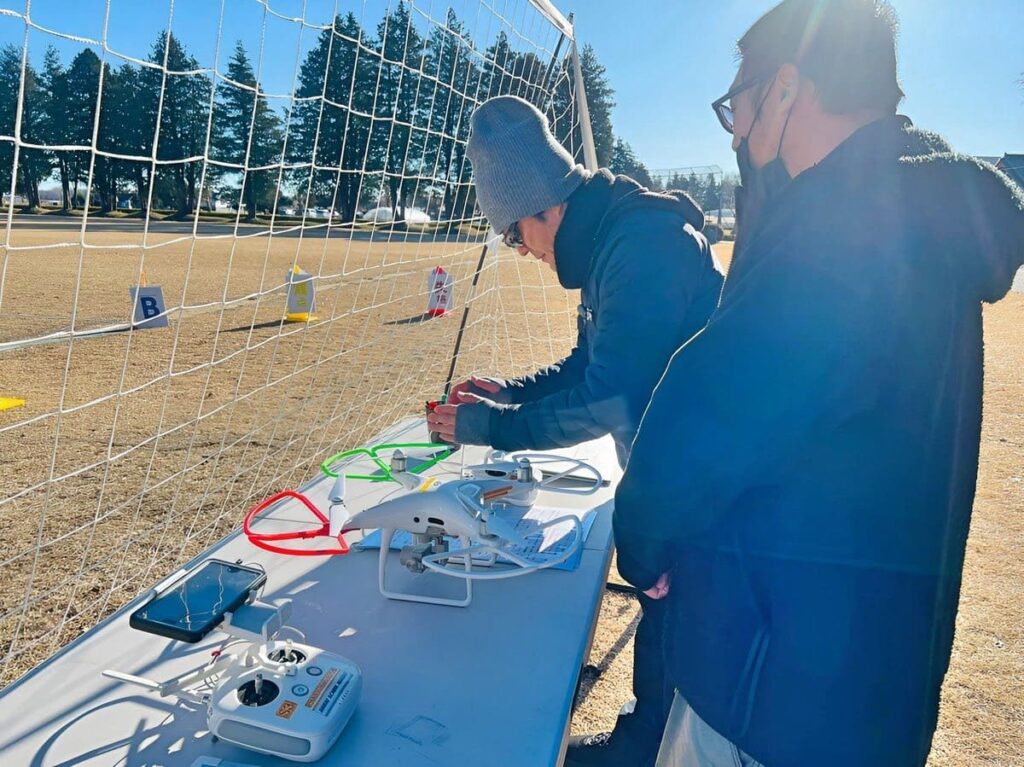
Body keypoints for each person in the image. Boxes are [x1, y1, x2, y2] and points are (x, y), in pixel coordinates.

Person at [611, 1, 1024, 765]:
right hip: (868, 688)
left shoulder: (845, 226)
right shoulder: (919, 213)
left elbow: (703, 415)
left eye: (737, 101)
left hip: (771, 695)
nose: (735, 130)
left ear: (788, 87)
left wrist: (642, 545)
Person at [427, 95, 724, 767]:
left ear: (542, 207)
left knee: (686, 630)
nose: (519, 250)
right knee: (666, 622)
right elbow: (589, 365)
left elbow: (611, 398)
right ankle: (646, 737)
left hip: (707, 489)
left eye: (512, 234)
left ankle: (650, 749)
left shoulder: (641, 245)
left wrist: (488, 427)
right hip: (677, 478)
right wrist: (509, 393)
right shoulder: (611, 240)